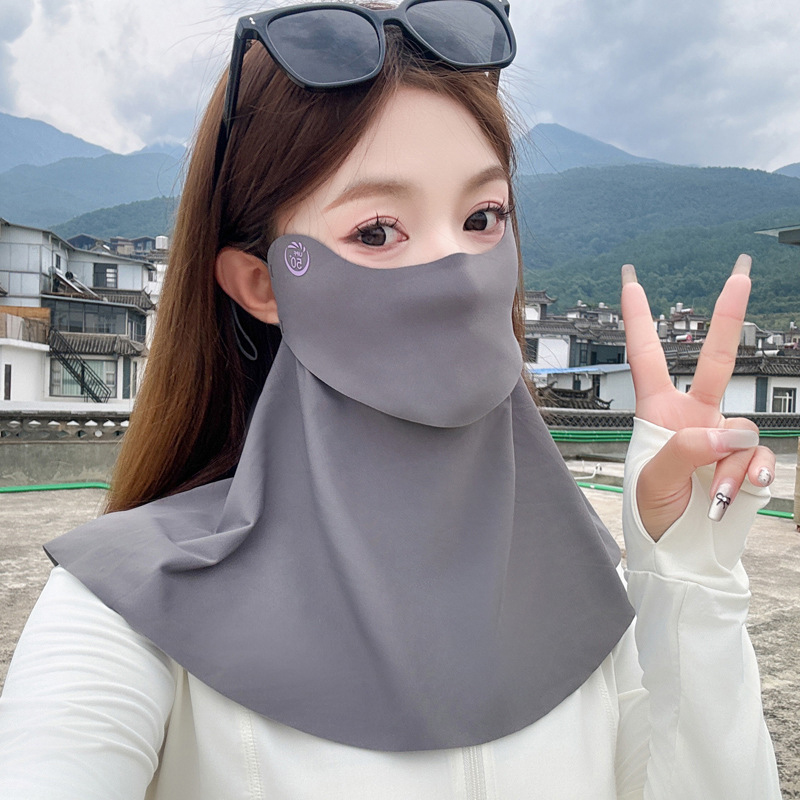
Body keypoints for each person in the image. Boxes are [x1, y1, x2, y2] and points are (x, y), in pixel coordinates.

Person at [0, 1, 782, 797]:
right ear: (262, 284)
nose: (459, 271)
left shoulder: (580, 590)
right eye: (376, 231)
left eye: (483, 217)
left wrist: (687, 576)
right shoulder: (126, 610)